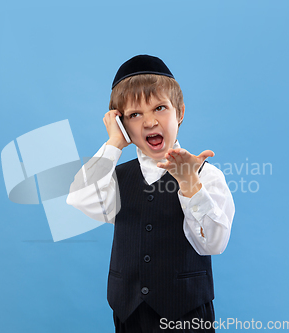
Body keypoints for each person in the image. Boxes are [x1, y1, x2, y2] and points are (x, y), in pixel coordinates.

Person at [67, 55, 235, 332]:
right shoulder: (116, 177)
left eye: (159, 108)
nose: (149, 122)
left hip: (187, 313)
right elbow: (79, 199)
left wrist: (190, 185)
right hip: (129, 313)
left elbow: (214, 243)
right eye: (134, 114)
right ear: (122, 124)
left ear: (179, 112)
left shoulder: (206, 175)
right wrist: (113, 144)